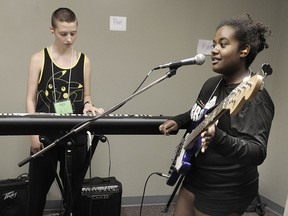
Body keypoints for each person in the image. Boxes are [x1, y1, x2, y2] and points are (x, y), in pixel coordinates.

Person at [159, 14, 274, 216]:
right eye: (214, 44)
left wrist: (217, 137)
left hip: (226, 187)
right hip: (196, 175)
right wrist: (179, 121)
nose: (214, 50)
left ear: (244, 50)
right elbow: (199, 112)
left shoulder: (255, 98)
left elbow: (257, 152)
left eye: (223, 44)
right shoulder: (212, 84)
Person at [26, 8, 104, 216]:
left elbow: (87, 95)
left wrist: (88, 105)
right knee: (36, 196)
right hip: (44, 136)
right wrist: (33, 135)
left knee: (74, 196)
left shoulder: (84, 61)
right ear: (52, 30)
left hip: (75, 135)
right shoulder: (38, 58)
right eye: (63, 34)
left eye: (73, 33)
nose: (69, 39)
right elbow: (30, 99)